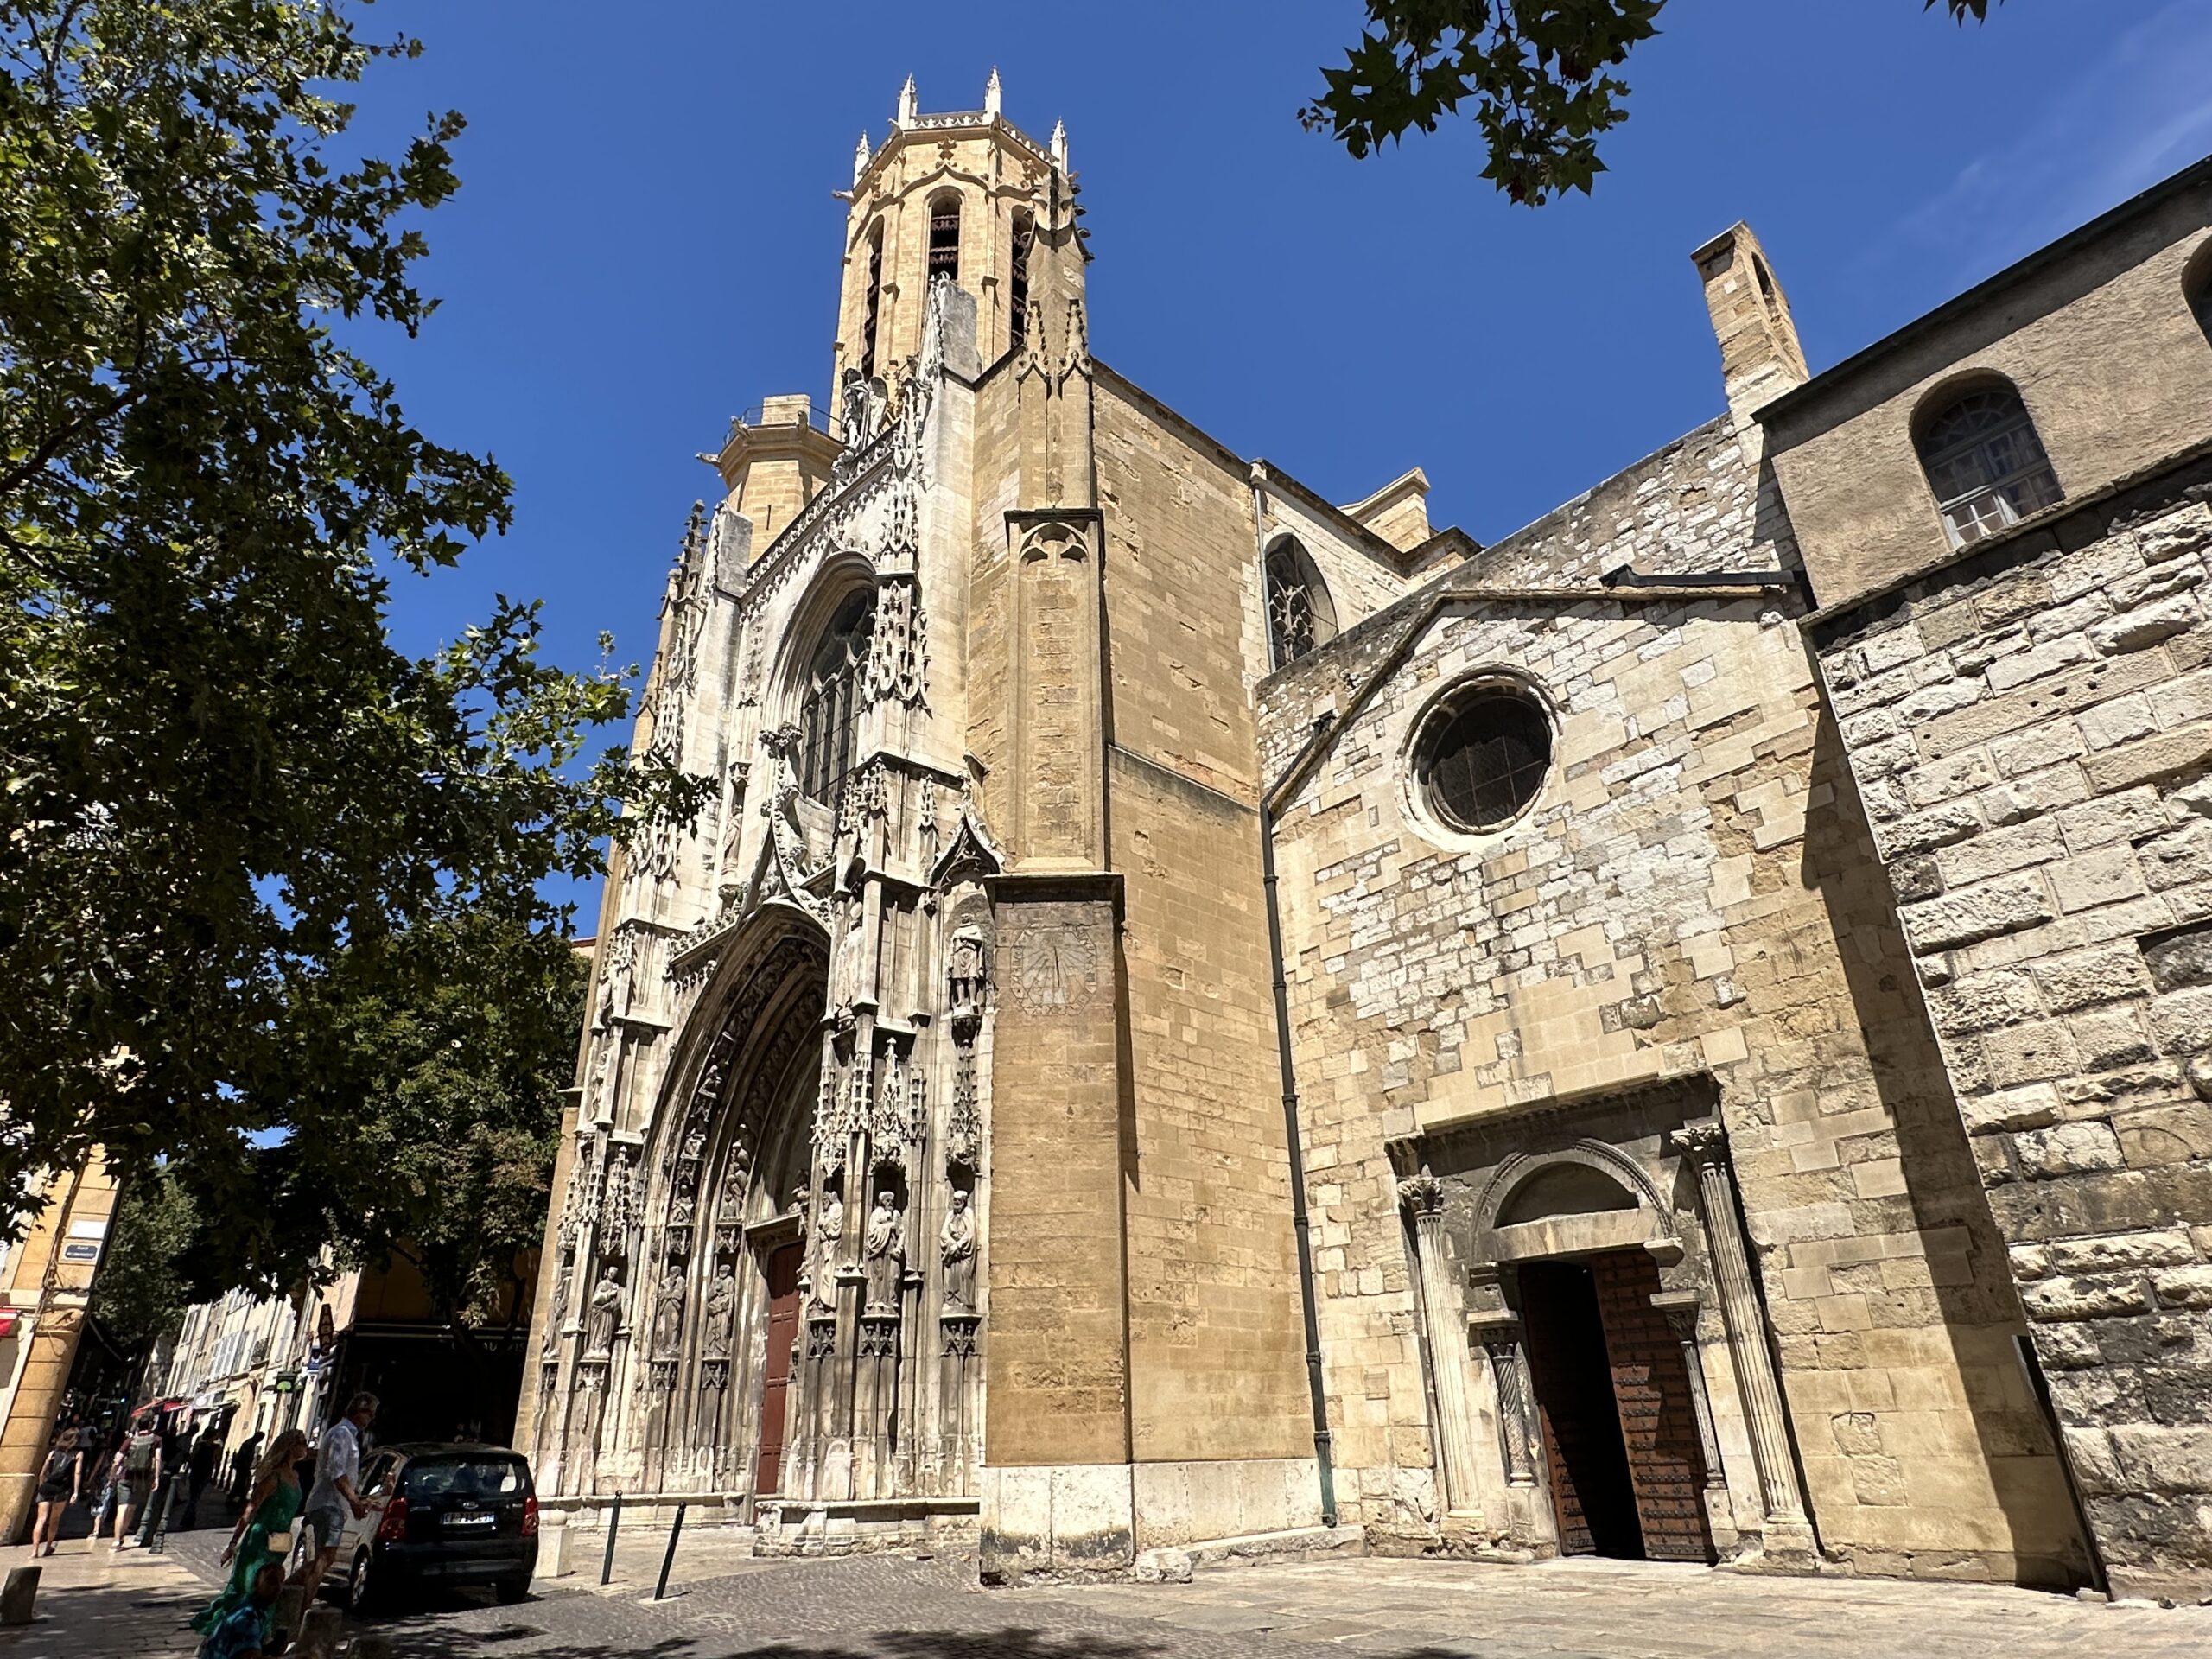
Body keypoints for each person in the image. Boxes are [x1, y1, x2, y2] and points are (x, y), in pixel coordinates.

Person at [191, 1430, 305, 1642]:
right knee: (250, 1589)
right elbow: (250, 1511)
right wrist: (233, 1543)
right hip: (260, 1539)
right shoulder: (274, 1478)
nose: (306, 1447)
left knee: (271, 1589)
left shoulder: (296, 1477)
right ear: (290, 1447)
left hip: (280, 1541)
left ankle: (260, 1638)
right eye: (302, 1443)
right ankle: (221, 1637)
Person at [296, 1392, 375, 1601]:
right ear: (359, 1412)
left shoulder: (347, 1435)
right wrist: (354, 1502)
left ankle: (289, 1592)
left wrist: (360, 1499)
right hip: (328, 1504)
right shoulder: (342, 1434)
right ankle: (301, 1605)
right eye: (370, 1413)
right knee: (325, 1558)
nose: (372, 1419)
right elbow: (337, 1473)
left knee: (324, 1558)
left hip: (332, 1504)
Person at [198, 1560, 285, 1659]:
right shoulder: (248, 1617)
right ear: (256, 1584)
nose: (278, 1587)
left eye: (281, 1581)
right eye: (271, 1581)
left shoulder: (254, 1611)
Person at [29, 1427, 83, 1557]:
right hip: (61, 1489)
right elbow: (77, 1473)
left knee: (41, 1519)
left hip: (47, 1487)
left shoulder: (53, 1452)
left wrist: (42, 1485)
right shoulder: (78, 1454)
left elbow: (43, 1472)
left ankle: (34, 1551)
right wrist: (75, 1492)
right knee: (55, 1519)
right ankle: (48, 1547)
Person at [112, 1421, 161, 1548]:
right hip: (141, 1478)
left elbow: (117, 1460)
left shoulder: (130, 1440)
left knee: (121, 1508)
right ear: (151, 1425)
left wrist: (112, 1475)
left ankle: (116, 1541)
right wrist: (156, 1478)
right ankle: (122, 1535)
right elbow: (157, 1460)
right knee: (131, 1508)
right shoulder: (156, 1440)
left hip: (125, 1476)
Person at [184, 1428, 219, 1529]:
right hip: (201, 1474)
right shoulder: (210, 1447)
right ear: (212, 1436)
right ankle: (188, 1518)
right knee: (195, 1497)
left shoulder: (203, 1446)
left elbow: (192, 1459)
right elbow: (214, 1462)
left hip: (198, 1473)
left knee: (194, 1496)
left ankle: (189, 1517)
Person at [227, 1430, 263, 1509]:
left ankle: (238, 1498)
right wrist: (246, 1467)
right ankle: (233, 1498)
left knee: (241, 1483)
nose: (261, 1441)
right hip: (242, 1466)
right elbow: (244, 1456)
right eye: (261, 1439)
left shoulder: (251, 1443)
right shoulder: (249, 1444)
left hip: (244, 1466)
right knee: (240, 1482)